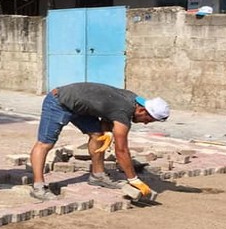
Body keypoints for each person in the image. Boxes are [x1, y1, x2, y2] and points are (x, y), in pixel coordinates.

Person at [28, 82, 170, 201]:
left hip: (80, 107)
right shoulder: (124, 111)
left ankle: (98, 175)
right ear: (142, 111)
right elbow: (121, 150)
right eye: (147, 120)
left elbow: (106, 110)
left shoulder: (134, 100)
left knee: (98, 136)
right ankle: (38, 187)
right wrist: (133, 179)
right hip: (59, 101)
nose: (145, 124)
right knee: (45, 143)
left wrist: (107, 131)